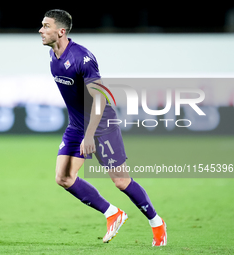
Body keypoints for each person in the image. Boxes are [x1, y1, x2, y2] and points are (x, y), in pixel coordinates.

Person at [39, 9, 167, 246]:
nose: (41, 30)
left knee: (120, 181)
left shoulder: (82, 58)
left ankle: (157, 223)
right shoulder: (52, 56)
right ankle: (112, 213)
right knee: (64, 177)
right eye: (42, 25)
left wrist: (90, 136)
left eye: (46, 26)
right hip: (77, 125)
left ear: (61, 31)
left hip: (101, 126)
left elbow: (99, 98)